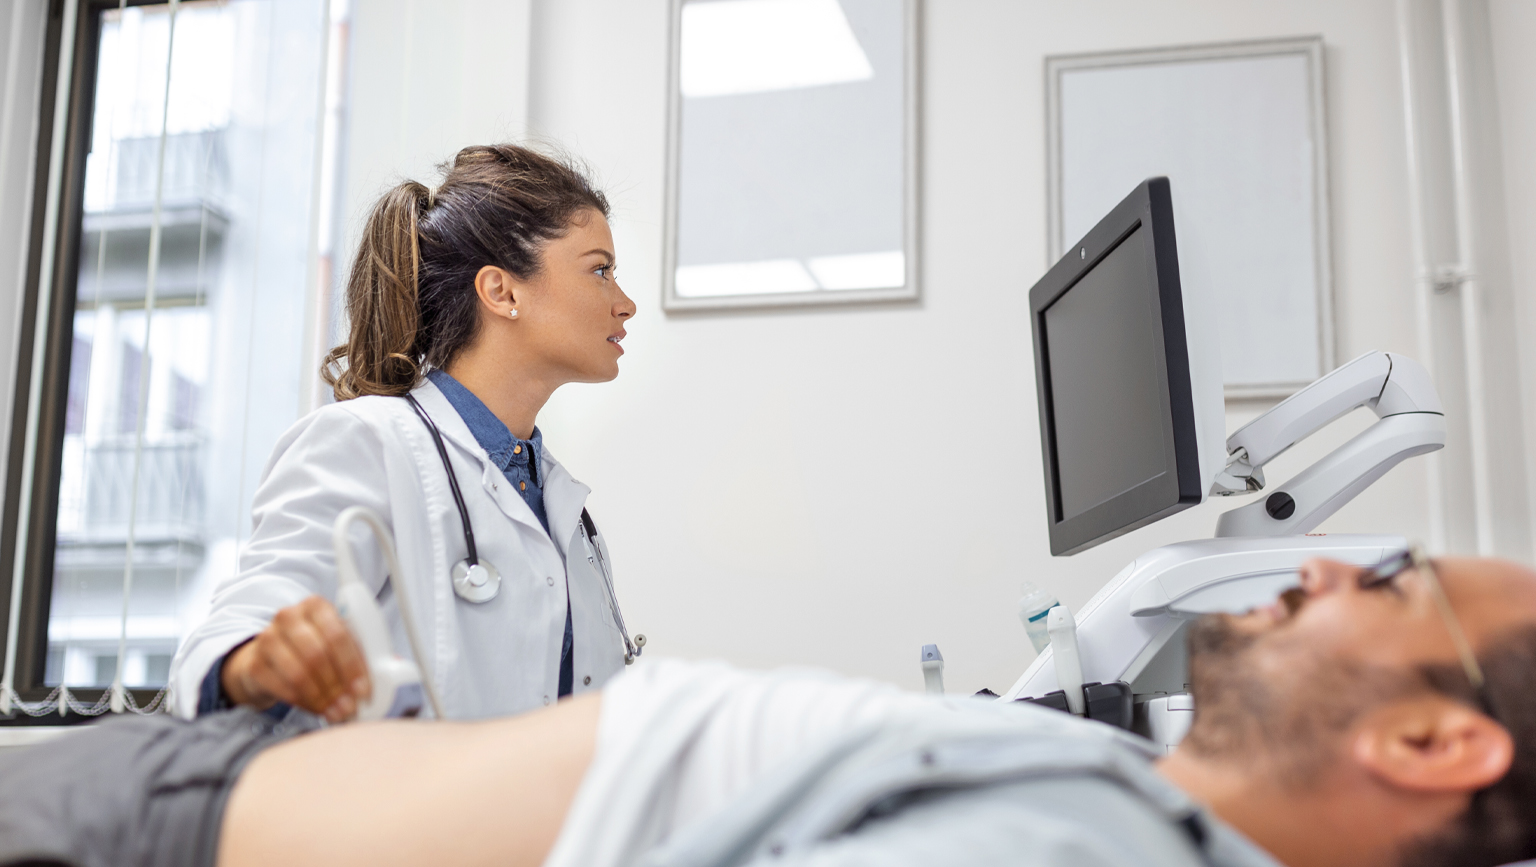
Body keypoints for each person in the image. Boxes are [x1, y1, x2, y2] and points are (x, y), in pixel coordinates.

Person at [5, 552, 1536, 867]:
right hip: (209, 772)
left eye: (1394, 575)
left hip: (179, 823)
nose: (1329, 557)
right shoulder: (1131, 799)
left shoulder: (1081, 841)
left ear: (1429, 739)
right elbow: (277, 573)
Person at [167, 144, 639, 722]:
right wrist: (257, 660)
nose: (626, 303)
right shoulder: (365, 443)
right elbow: (238, 631)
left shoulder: (559, 504)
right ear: (502, 292)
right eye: (600, 271)